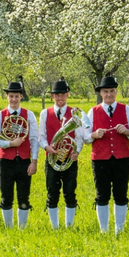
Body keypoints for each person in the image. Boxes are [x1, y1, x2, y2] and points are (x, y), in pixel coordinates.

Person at [83, 76, 129, 234]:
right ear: (101, 93)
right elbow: (85, 137)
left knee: (121, 194)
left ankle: (119, 230)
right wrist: (94, 134)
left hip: (122, 158)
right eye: (105, 91)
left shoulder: (125, 109)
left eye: (111, 91)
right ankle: (104, 230)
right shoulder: (93, 111)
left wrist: (127, 132)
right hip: (100, 158)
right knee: (102, 194)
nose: (109, 94)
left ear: (116, 92)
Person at [0, 80, 40, 229]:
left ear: (21, 96)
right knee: (6, 197)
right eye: (11, 96)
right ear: (6, 96)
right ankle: (9, 228)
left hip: (24, 161)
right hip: (6, 161)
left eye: (16, 96)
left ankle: (22, 229)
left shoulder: (29, 115)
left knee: (24, 196)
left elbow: (34, 140)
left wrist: (34, 161)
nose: (14, 99)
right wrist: (10, 144)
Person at [37, 78, 84, 229]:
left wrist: (76, 151)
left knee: (70, 192)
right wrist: (46, 147)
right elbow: (41, 136)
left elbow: (79, 137)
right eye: (57, 95)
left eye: (63, 94)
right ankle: (55, 227)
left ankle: (69, 226)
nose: (60, 98)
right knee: (52, 193)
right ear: (52, 96)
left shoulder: (74, 113)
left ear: (68, 94)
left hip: (70, 160)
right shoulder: (45, 113)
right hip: (51, 159)